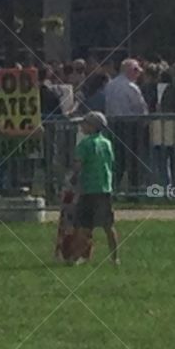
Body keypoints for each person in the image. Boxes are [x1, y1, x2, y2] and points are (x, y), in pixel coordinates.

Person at [71, 111, 119, 266]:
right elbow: (111, 162)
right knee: (108, 226)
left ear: (91, 127)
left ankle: (79, 256)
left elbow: (78, 165)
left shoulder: (84, 144)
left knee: (83, 225)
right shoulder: (107, 143)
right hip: (105, 187)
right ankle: (114, 257)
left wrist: (73, 179)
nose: (81, 126)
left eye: (84, 123)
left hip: (88, 188)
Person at [104, 59, 148, 194]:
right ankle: (134, 190)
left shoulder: (110, 85)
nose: (138, 74)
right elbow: (140, 108)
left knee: (117, 159)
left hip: (113, 124)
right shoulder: (131, 87)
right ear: (128, 70)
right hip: (131, 126)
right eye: (136, 70)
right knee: (133, 159)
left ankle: (113, 188)